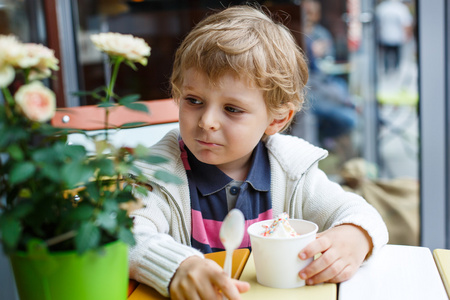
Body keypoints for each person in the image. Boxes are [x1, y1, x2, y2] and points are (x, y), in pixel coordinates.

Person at [128, 5, 388, 300]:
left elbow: (361, 214)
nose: (207, 121)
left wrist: (354, 237)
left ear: (277, 119)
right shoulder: (160, 172)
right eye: (194, 100)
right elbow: (126, 237)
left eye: (232, 109)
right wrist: (177, 267)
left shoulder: (292, 171)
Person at [375, 0, 413, 73]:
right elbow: (406, 23)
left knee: (386, 56)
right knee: (396, 56)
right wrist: (408, 35)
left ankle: (387, 71)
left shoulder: (382, 7)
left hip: (384, 36)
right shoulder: (401, 8)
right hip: (396, 37)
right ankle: (395, 70)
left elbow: (377, 23)